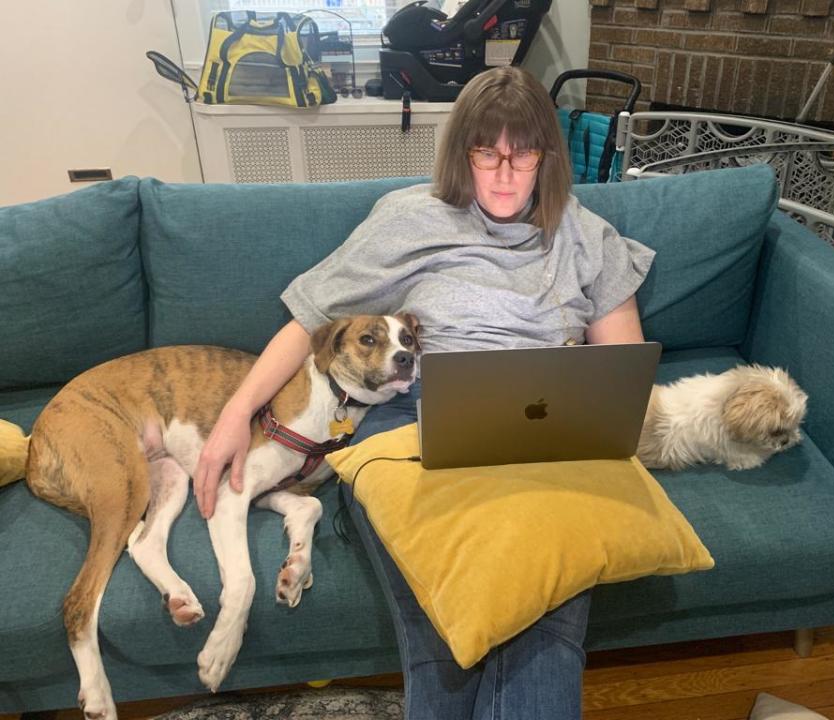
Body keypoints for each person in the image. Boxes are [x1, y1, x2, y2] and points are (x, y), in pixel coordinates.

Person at [193, 65, 655, 720]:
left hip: (546, 440)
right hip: (413, 428)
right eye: (484, 153)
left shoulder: (586, 238)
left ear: (547, 158)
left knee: (543, 630)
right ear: (459, 153)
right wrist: (237, 414)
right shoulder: (411, 218)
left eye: (521, 155)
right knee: (442, 632)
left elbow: (623, 375)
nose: (502, 173)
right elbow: (308, 319)